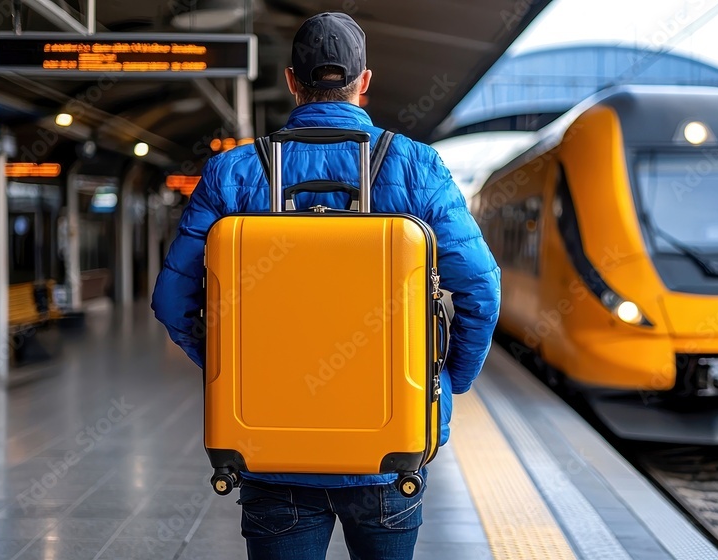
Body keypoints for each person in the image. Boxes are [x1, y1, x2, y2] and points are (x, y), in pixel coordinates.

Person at [151, 12, 500, 560]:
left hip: (271, 447)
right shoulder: (415, 167)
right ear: (364, 81)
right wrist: (444, 383)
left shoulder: (234, 172)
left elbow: (173, 301)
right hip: (389, 446)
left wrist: (229, 370)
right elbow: (481, 291)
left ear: (292, 81)